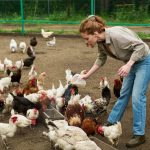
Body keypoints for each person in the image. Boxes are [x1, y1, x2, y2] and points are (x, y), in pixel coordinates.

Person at [79, 15, 150, 148]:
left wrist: (129, 65)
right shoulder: (101, 41)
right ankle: (111, 122)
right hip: (131, 63)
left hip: (143, 61)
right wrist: (87, 74)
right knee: (123, 94)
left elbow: (141, 46)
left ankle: (139, 135)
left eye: (86, 38)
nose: (86, 42)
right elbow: (101, 58)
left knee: (137, 97)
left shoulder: (116, 35)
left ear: (95, 33)